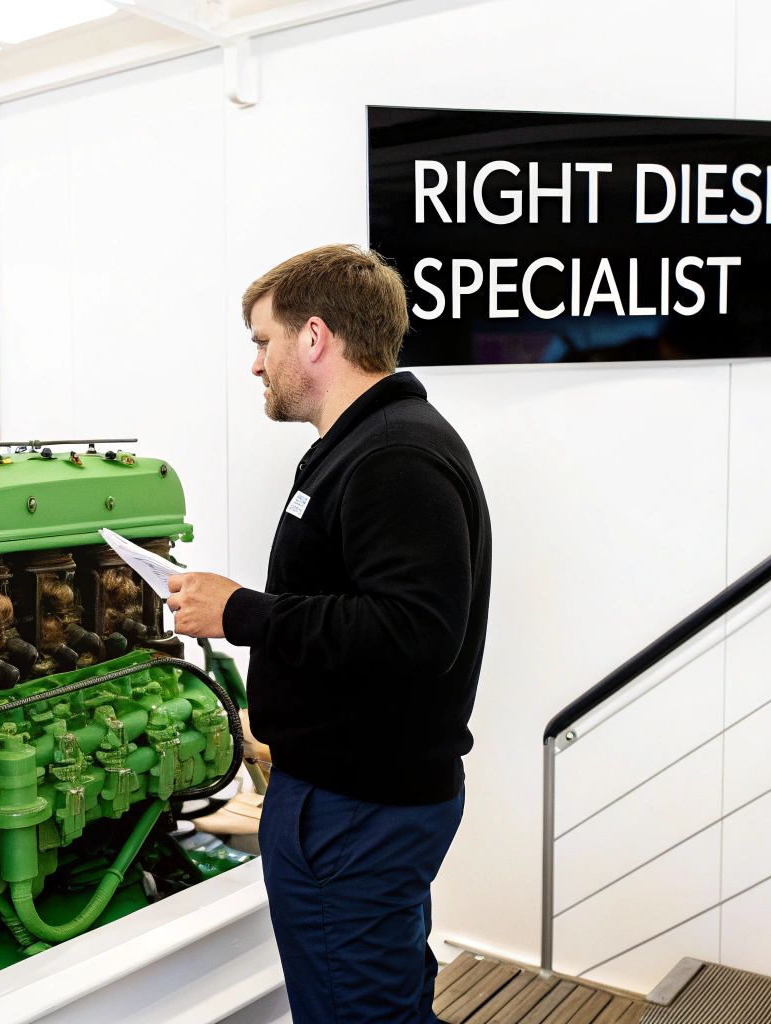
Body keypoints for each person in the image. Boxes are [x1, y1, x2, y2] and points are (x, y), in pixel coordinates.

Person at [168, 244, 493, 1023]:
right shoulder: (362, 446)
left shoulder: (396, 456)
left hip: (355, 812)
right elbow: (357, 610)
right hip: (353, 800)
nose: (256, 364)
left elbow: (415, 631)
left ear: (314, 336)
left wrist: (240, 612)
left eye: (263, 340)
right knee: (386, 1001)